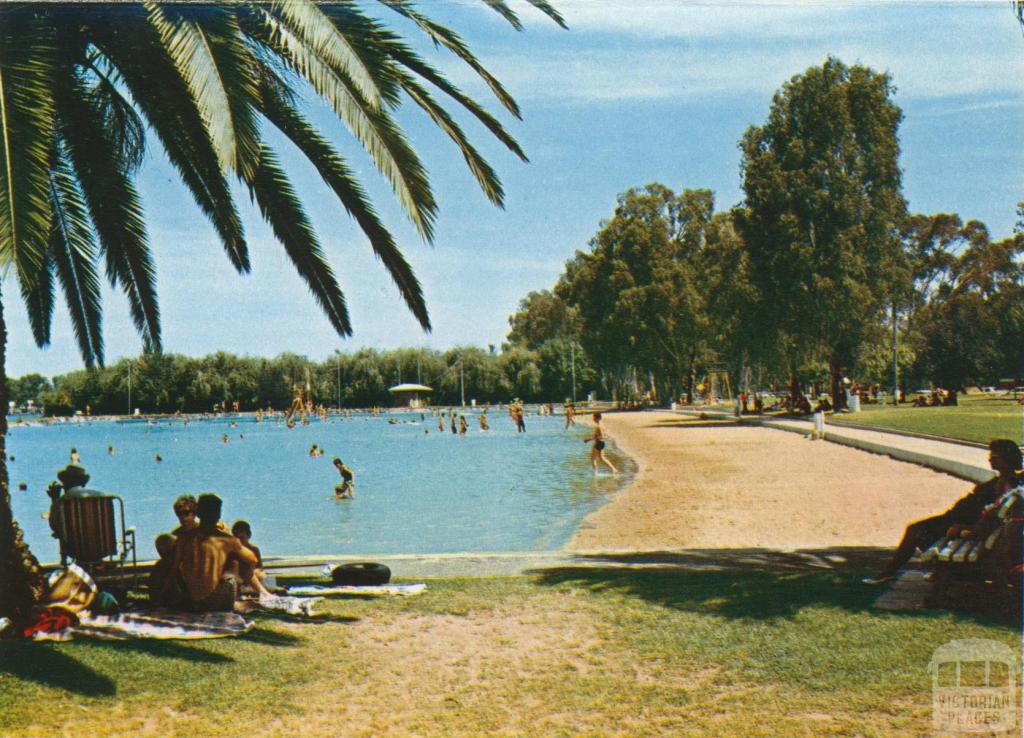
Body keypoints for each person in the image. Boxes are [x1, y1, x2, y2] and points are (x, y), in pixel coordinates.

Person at [863, 439, 1024, 584]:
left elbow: (992, 518)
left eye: (994, 456)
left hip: (961, 523)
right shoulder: (1004, 481)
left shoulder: (1008, 485)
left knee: (915, 530)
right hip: (957, 519)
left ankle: (889, 573)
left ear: (1006, 459)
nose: (990, 459)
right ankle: (938, 569)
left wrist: (964, 528)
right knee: (918, 530)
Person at [161, 493, 258, 611]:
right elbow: (253, 559)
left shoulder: (184, 537)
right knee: (234, 561)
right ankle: (247, 598)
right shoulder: (226, 540)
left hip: (191, 600)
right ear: (218, 515)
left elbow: (174, 570)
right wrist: (232, 543)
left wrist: (163, 595)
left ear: (199, 513)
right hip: (214, 601)